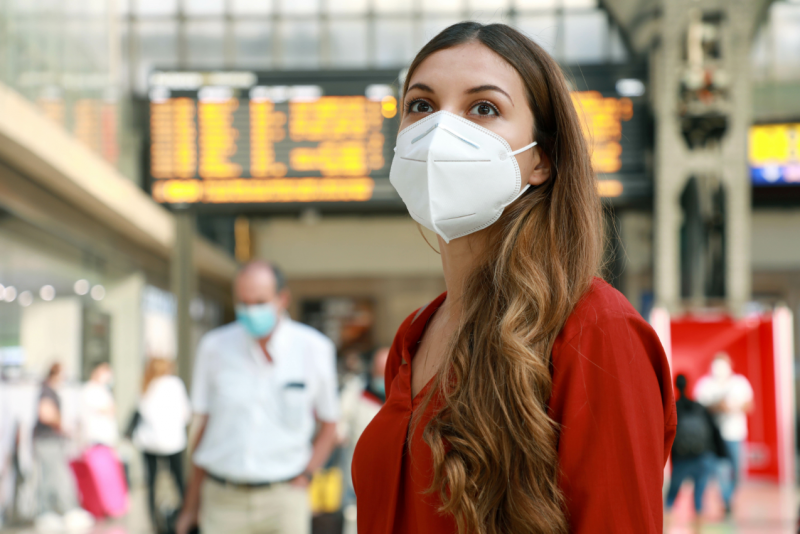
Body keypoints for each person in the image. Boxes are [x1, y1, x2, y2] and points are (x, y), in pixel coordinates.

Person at [351, 22, 677, 534]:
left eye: (484, 108)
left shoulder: (596, 330)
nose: (440, 132)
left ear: (541, 160)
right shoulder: (413, 337)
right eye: (421, 105)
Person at [176, 261, 340, 534]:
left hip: (284, 500)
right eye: (244, 302)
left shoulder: (314, 348)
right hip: (222, 501)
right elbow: (202, 429)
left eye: (260, 301)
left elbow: (330, 425)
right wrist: (191, 506)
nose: (251, 310)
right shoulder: (214, 347)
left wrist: (307, 475)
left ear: (282, 299)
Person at [32, 363, 93, 532]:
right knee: (54, 476)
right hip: (48, 441)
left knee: (53, 475)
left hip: (51, 440)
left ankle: (51, 511)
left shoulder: (50, 391)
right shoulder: (47, 391)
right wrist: (62, 426)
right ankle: (53, 511)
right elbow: (45, 414)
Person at [133, 357, 191, 532]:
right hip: (173, 442)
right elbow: (185, 413)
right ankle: (185, 517)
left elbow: (142, 412)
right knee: (179, 480)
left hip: (149, 442)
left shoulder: (146, 385)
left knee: (152, 483)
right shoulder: (174, 384)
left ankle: (154, 521)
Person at [694, 352, 754, 516]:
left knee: (737, 470)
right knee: (721, 470)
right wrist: (717, 406)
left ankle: (729, 496)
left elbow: (750, 404)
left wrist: (733, 407)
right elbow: (699, 407)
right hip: (714, 437)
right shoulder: (705, 384)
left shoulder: (740, 383)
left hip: (735, 434)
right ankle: (726, 500)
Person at [665, 374, 728, 523]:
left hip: (681, 459)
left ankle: (665, 524)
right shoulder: (700, 408)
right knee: (699, 496)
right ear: (688, 385)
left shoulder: (674, 408)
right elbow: (714, 431)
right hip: (702, 457)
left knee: (672, 495)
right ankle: (698, 527)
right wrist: (721, 454)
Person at [338, 348, 390, 515]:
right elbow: (340, 420)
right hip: (358, 479)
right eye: (380, 370)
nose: (383, 376)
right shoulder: (355, 391)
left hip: (391, 477)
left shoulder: (404, 391)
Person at [79, 362, 118, 449]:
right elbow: (105, 409)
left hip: (105, 439)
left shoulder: (103, 389)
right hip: (96, 438)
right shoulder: (90, 389)